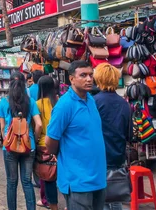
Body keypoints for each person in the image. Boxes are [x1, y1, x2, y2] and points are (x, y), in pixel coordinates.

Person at [46, 61, 106, 210]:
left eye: (91, 75)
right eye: (83, 75)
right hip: (77, 180)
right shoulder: (64, 105)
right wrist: (61, 154)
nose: (89, 79)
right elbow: (50, 141)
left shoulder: (91, 100)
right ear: (72, 79)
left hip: (98, 177)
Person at [0, 72, 42, 210]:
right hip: (28, 145)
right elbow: (39, 124)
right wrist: (33, 137)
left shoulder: (4, 102)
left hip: (10, 147)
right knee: (27, 182)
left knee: (11, 182)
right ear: (24, 84)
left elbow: (3, 126)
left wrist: (6, 137)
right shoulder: (31, 102)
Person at [93, 63, 131, 210]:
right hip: (118, 155)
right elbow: (129, 133)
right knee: (116, 197)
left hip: (100, 157)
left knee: (102, 200)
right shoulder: (124, 103)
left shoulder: (94, 102)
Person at [37, 75, 60, 210]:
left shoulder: (38, 104)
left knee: (48, 178)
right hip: (59, 143)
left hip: (43, 144)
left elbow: (38, 126)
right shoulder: (58, 102)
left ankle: (53, 205)